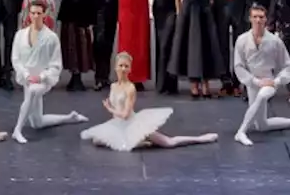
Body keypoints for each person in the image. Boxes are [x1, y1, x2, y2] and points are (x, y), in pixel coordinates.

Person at [80, 51, 217, 151]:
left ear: (130, 69)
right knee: (97, 140)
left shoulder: (130, 88)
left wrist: (110, 108)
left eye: (126, 66)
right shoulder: (113, 86)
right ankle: (141, 142)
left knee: (168, 143)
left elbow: (126, 114)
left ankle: (200, 139)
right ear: (115, 67)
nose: (123, 69)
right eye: (121, 65)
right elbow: (117, 114)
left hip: (132, 123)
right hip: (118, 124)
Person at [232, 5, 290, 146]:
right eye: (255, 17)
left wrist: (276, 81)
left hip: (269, 81)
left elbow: (287, 65)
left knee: (262, 96)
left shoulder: (274, 41)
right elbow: (238, 66)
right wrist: (254, 81)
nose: (258, 20)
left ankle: (241, 131)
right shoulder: (242, 40)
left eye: (261, 17)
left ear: (265, 19)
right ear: (250, 19)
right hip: (253, 82)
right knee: (261, 125)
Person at [9, 1, 89, 143]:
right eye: (32, 13)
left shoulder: (51, 38)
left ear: (44, 14)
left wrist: (41, 77)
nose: (35, 16)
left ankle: (17, 129)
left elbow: (55, 65)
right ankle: (70, 117)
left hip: (42, 81)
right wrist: (26, 74)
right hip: (27, 78)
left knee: (33, 92)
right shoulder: (20, 35)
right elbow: (15, 59)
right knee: (37, 122)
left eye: (38, 13)